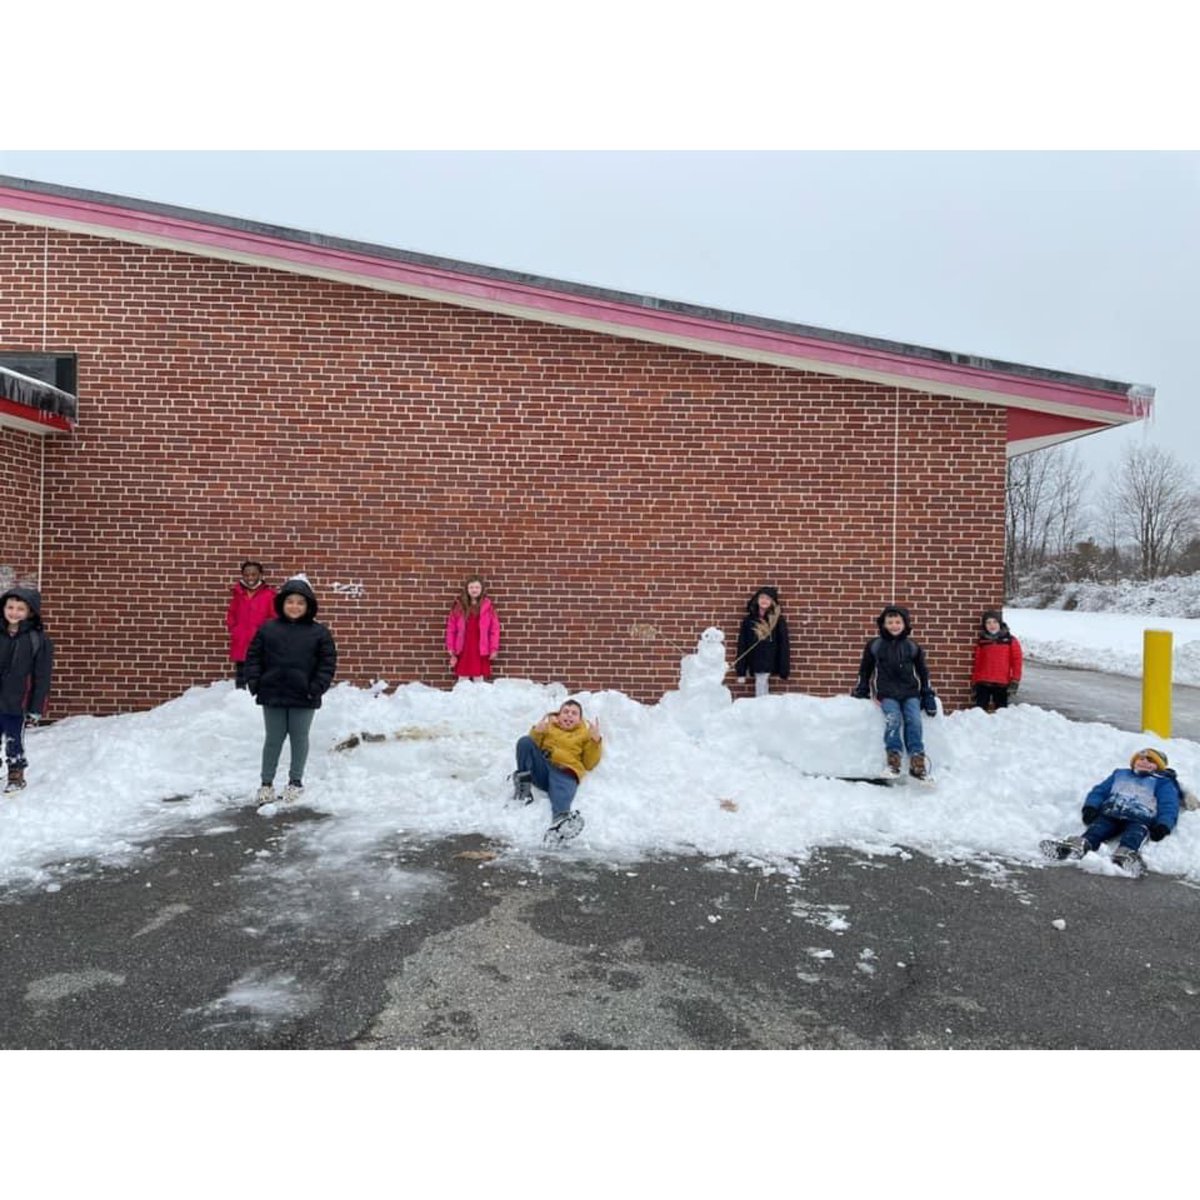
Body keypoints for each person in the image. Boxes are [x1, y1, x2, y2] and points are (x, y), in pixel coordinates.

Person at [244, 575, 337, 805]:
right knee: (273, 739)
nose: (294, 606)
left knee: (299, 738)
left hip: (304, 695)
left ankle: (295, 782)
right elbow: (253, 657)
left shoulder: (319, 633)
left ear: (308, 606)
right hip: (272, 693)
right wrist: (255, 682)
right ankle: (266, 784)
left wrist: (316, 687)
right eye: (290, 602)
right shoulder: (268, 629)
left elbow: (327, 663)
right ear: (282, 604)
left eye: (300, 602)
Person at [1043, 749, 1182, 871]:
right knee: (1097, 829)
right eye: (1141, 758)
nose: (1144, 761)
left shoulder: (1163, 782)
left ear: (1159, 766)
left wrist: (1163, 825)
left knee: (1134, 835)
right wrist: (1091, 806)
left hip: (1140, 818)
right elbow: (1100, 791)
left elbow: (1169, 805)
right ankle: (1078, 846)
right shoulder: (1120, 774)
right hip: (1111, 813)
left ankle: (1126, 854)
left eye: (1150, 760)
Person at [852, 604, 937, 779]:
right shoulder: (875, 645)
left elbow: (923, 672)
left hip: (910, 693)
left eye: (898, 622)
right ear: (883, 624)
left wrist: (928, 695)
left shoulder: (912, 646)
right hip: (886, 693)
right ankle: (894, 759)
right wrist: (862, 689)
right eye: (889, 622)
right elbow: (865, 670)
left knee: (914, 720)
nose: (894, 625)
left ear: (905, 624)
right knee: (893, 719)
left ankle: (917, 759)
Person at [511, 699, 602, 843]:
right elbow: (530, 749)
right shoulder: (548, 727)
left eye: (574, 713)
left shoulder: (585, 735)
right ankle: (523, 788)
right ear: (558, 715)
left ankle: (561, 822)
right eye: (565, 712)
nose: (569, 716)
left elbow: (589, 764)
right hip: (544, 769)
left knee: (561, 791)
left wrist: (595, 741)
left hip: (565, 772)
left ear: (579, 720)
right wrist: (537, 733)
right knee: (525, 741)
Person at [1, 585, 53, 793]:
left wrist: (37, 706)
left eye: (20, 609)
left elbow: (42, 676)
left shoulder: (38, 640)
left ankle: (16, 773)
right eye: (10, 607)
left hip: (17, 700)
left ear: (30, 612)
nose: (14, 612)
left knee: (14, 739)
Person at [226, 560, 277, 690]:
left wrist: (267, 633)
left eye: (254, 574)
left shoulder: (269, 594)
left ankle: (256, 696)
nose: (250, 578)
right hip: (241, 637)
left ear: (260, 575)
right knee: (241, 669)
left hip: (260, 638)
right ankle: (240, 695)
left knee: (259, 668)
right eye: (247, 575)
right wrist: (234, 629)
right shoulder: (238, 594)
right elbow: (232, 613)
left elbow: (274, 616)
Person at [735, 586, 791, 696]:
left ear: (773, 602)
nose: (764, 601)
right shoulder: (749, 620)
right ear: (757, 599)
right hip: (754, 659)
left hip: (769, 659)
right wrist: (741, 670)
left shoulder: (778, 620)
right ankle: (762, 706)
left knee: (761, 681)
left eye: (768, 598)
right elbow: (742, 644)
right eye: (762, 597)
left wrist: (784, 668)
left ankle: (761, 706)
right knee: (761, 683)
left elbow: (783, 644)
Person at [445, 574, 500, 681]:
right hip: (463, 647)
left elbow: (494, 629)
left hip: (480, 648)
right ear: (467, 589)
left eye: (477, 587)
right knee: (463, 679)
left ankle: (478, 698)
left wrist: (494, 648)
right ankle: (461, 698)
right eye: (471, 587)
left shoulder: (488, 607)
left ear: (482, 589)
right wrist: (451, 647)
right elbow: (451, 629)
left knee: (478, 679)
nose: (474, 590)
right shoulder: (459, 606)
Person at [971, 609, 1023, 710]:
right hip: (983, 682)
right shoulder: (982, 641)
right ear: (984, 625)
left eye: (995, 622)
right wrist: (974, 681)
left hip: (1002, 683)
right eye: (988, 622)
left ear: (1000, 623)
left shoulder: (1010, 640)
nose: (992, 625)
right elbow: (978, 663)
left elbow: (1017, 661)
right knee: (979, 711)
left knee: (1001, 712)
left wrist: (1015, 680)